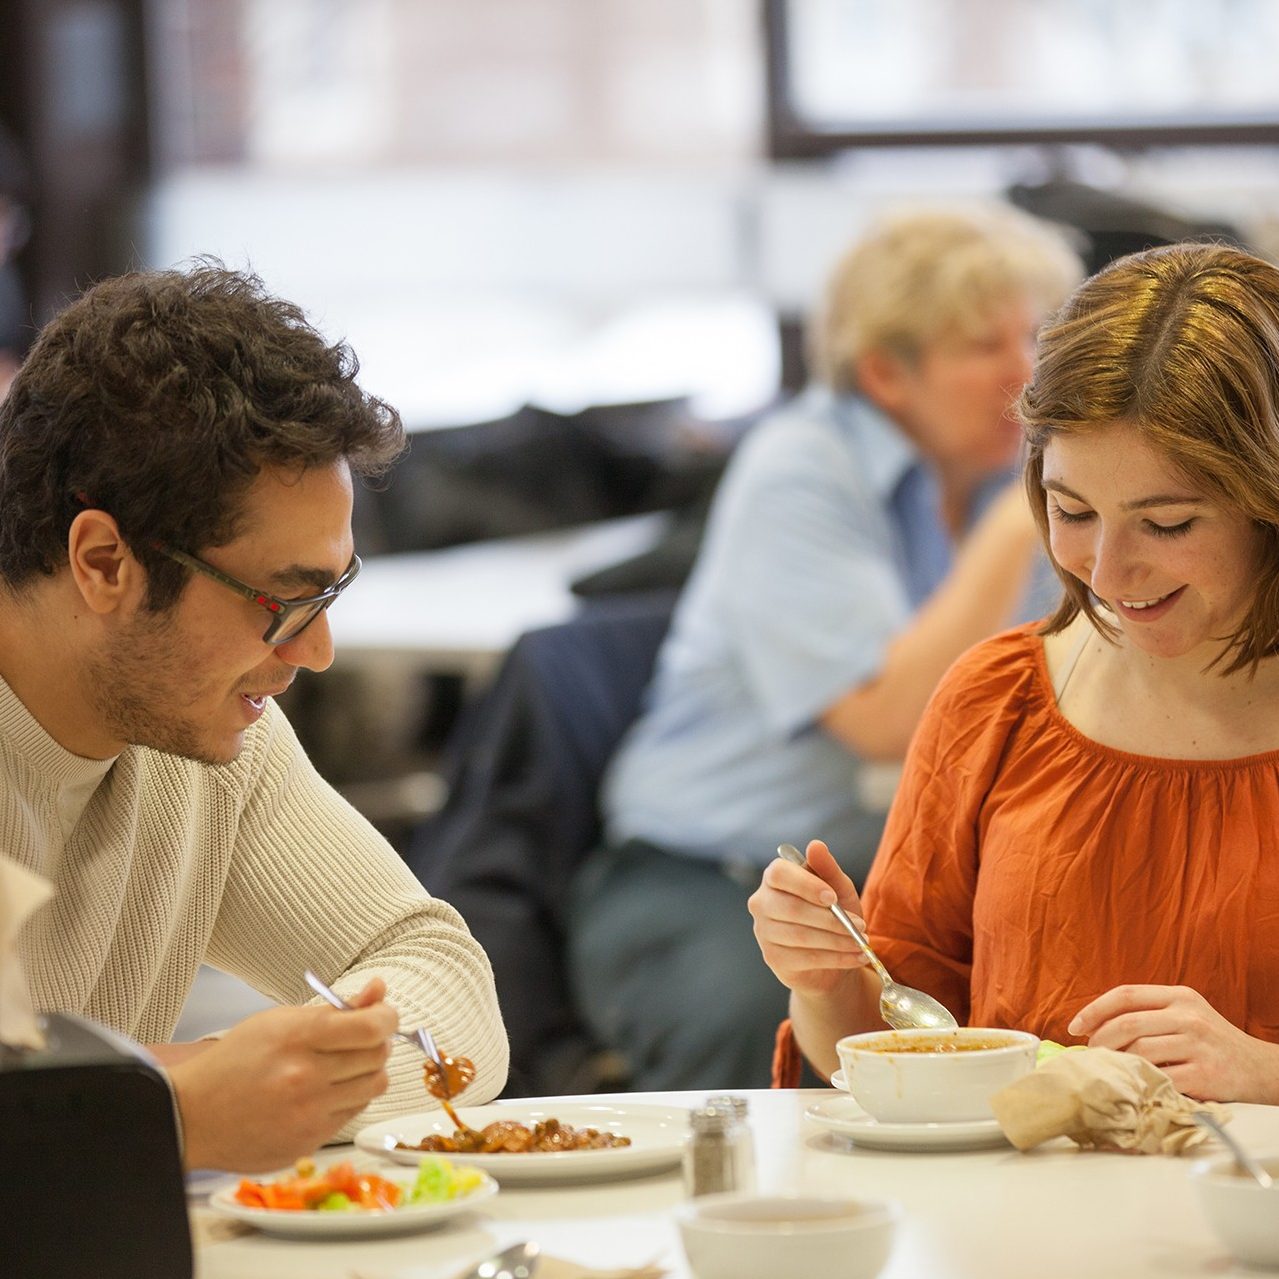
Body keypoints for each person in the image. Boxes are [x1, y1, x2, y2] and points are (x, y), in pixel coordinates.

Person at [0, 262, 509, 1170]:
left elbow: (447, 984)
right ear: (104, 561)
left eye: (332, 591)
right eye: (281, 598)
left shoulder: (215, 744)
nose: (316, 653)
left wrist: (215, 1083)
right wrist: (172, 1108)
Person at [568, 205, 1083, 1090]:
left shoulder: (1009, 474)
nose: (1026, 371)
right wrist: (1014, 527)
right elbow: (889, 721)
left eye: (1036, 334)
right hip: (706, 876)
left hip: (890, 888)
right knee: (783, 1053)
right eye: (982, 346)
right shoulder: (800, 467)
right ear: (885, 371)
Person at [752, 241, 1279, 1104]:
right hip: (1013, 1221)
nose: (1106, 574)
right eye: (1071, 511)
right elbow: (887, 1043)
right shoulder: (995, 701)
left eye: (1169, 524)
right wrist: (822, 977)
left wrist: (1260, 1072)